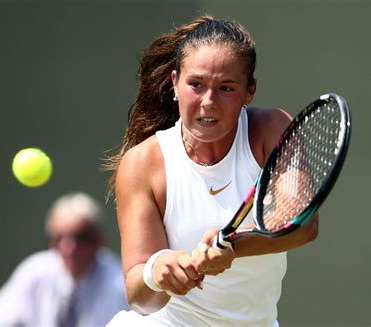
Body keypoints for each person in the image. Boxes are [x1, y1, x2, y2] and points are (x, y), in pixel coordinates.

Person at [105, 15, 319, 326]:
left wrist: (231, 245)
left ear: (250, 92)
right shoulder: (143, 163)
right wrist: (157, 272)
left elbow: (302, 223)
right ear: (175, 83)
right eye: (196, 84)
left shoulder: (271, 129)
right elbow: (141, 298)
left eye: (226, 88)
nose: (208, 101)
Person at [0, 192, 129, 327]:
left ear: (98, 240)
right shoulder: (35, 270)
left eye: (81, 237)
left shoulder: (119, 281)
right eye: (58, 238)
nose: (69, 248)